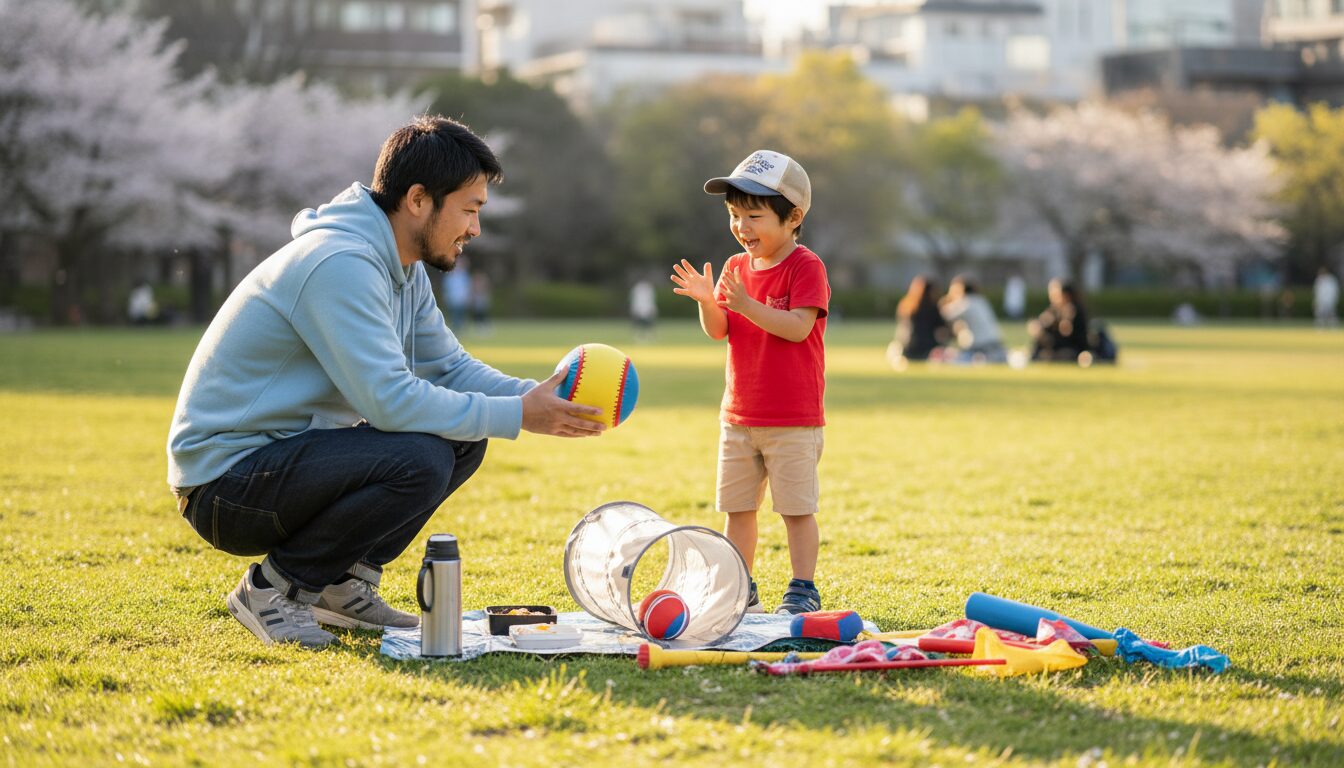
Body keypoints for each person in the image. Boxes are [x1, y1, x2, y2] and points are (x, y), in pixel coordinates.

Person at [166, 116, 606, 649]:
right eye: (469, 209)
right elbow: (390, 402)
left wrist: (537, 397)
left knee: (461, 440)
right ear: (418, 199)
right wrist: (519, 416)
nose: (475, 229)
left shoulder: (402, 266)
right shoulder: (339, 263)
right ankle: (273, 590)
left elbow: (449, 368)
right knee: (421, 458)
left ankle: (341, 584)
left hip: (278, 462)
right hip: (225, 487)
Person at [670, 149, 828, 616]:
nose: (742, 227)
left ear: (793, 217)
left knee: (796, 509)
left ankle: (802, 589)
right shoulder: (736, 267)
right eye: (735, 215)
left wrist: (747, 306)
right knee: (737, 509)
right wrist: (708, 302)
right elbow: (720, 330)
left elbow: (797, 327)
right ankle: (739, 586)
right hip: (738, 416)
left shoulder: (806, 266)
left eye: (754, 216)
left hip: (793, 419)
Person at [938, 274, 1006, 363]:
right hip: (995, 343)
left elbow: (944, 314)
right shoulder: (981, 301)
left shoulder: (965, 303)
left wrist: (945, 300)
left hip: (979, 347)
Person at [887, 274, 948, 369]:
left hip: (907, 349)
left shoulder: (907, 306)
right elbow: (941, 330)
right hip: (927, 348)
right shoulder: (933, 307)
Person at [1030, 278, 1090, 362]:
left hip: (1071, 347)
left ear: (1067, 295)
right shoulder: (1054, 310)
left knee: (1063, 355)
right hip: (1056, 347)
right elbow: (1042, 321)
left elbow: (1067, 333)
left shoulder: (1073, 310)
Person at [442, 256, 471, 330]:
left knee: (461, 313)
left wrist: (467, 296)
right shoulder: (450, 275)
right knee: (454, 313)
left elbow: (467, 286)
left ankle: (461, 327)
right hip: (453, 297)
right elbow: (447, 286)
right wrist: (446, 296)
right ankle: (455, 327)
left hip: (462, 298)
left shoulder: (464, 275)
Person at [629, 277, 658, 342]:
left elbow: (651, 299)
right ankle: (638, 335)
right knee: (638, 323)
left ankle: (649, 335)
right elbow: (635, 300)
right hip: (639, 308)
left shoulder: (649, 288)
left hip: (647, 308)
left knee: (649, 323)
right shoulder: (637, 288)